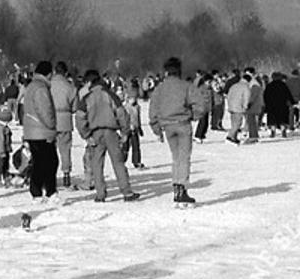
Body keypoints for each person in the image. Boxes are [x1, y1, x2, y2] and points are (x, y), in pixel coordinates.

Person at [76, 69, 139, 203]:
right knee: (118, 162)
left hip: (95, 133)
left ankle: (100, 194)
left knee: (97, 165)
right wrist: (124, 131)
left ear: (89, 82)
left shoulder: (86, 98)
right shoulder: (110, 95)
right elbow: (121, 113)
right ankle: (126, 192)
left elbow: (80, 118)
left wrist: (86, 135)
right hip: (111, 132)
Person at [148, 57, 203, 207]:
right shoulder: (186, 86)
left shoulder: (159, 88)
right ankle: (182, 188)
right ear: (179, 70)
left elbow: (153, 109)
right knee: (184, 157)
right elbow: (200, 104)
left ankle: (176, 187)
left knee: (176, 157)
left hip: (168, 126)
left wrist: (156, 128)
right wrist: (194, 115)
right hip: (183, 124)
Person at [21, 60, 59, 201]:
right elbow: (45, 110)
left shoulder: (31, 86)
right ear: (49, 73)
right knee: (50, 162)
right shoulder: (41, 88)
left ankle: (37, 192)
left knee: (39, 162)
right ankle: (49, 191)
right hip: (42, 131)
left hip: (32, 130)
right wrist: (52, 125)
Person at [49, 62, 79, 189]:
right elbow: (75, 107)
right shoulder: (71, 87)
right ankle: (66, 174)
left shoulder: (48, 85)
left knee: (50, 150)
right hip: (65, 120)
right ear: (66, 72)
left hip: (50, 119)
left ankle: (51, 175)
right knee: (65, 149)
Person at [225, 72, 251, 145]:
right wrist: (245, 107)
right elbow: (246, 97)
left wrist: (229, 104)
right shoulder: (246, 87)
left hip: (231, 106)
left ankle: (234, 138)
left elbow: (228, 95)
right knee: (237, 124)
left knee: (233, 123)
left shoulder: (234, 85)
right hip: (239, 107)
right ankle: (229, 137)